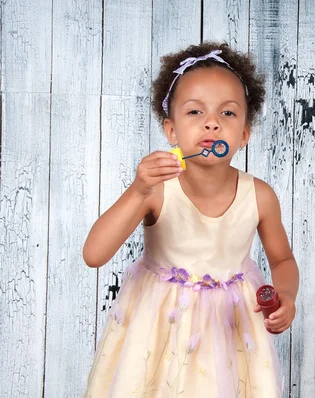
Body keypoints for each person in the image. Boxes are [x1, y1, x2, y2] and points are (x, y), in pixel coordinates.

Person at [83, 42, 299, 397]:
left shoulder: (259, 196)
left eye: (227, 114)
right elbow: (94, 254)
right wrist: (137, 190)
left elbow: (282, 259)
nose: (212, 123)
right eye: (195, 112)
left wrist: (286, 296)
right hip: (160, 327)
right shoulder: (155, 190)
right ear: (171, 131)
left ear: (244, 134)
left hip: (231, 329)